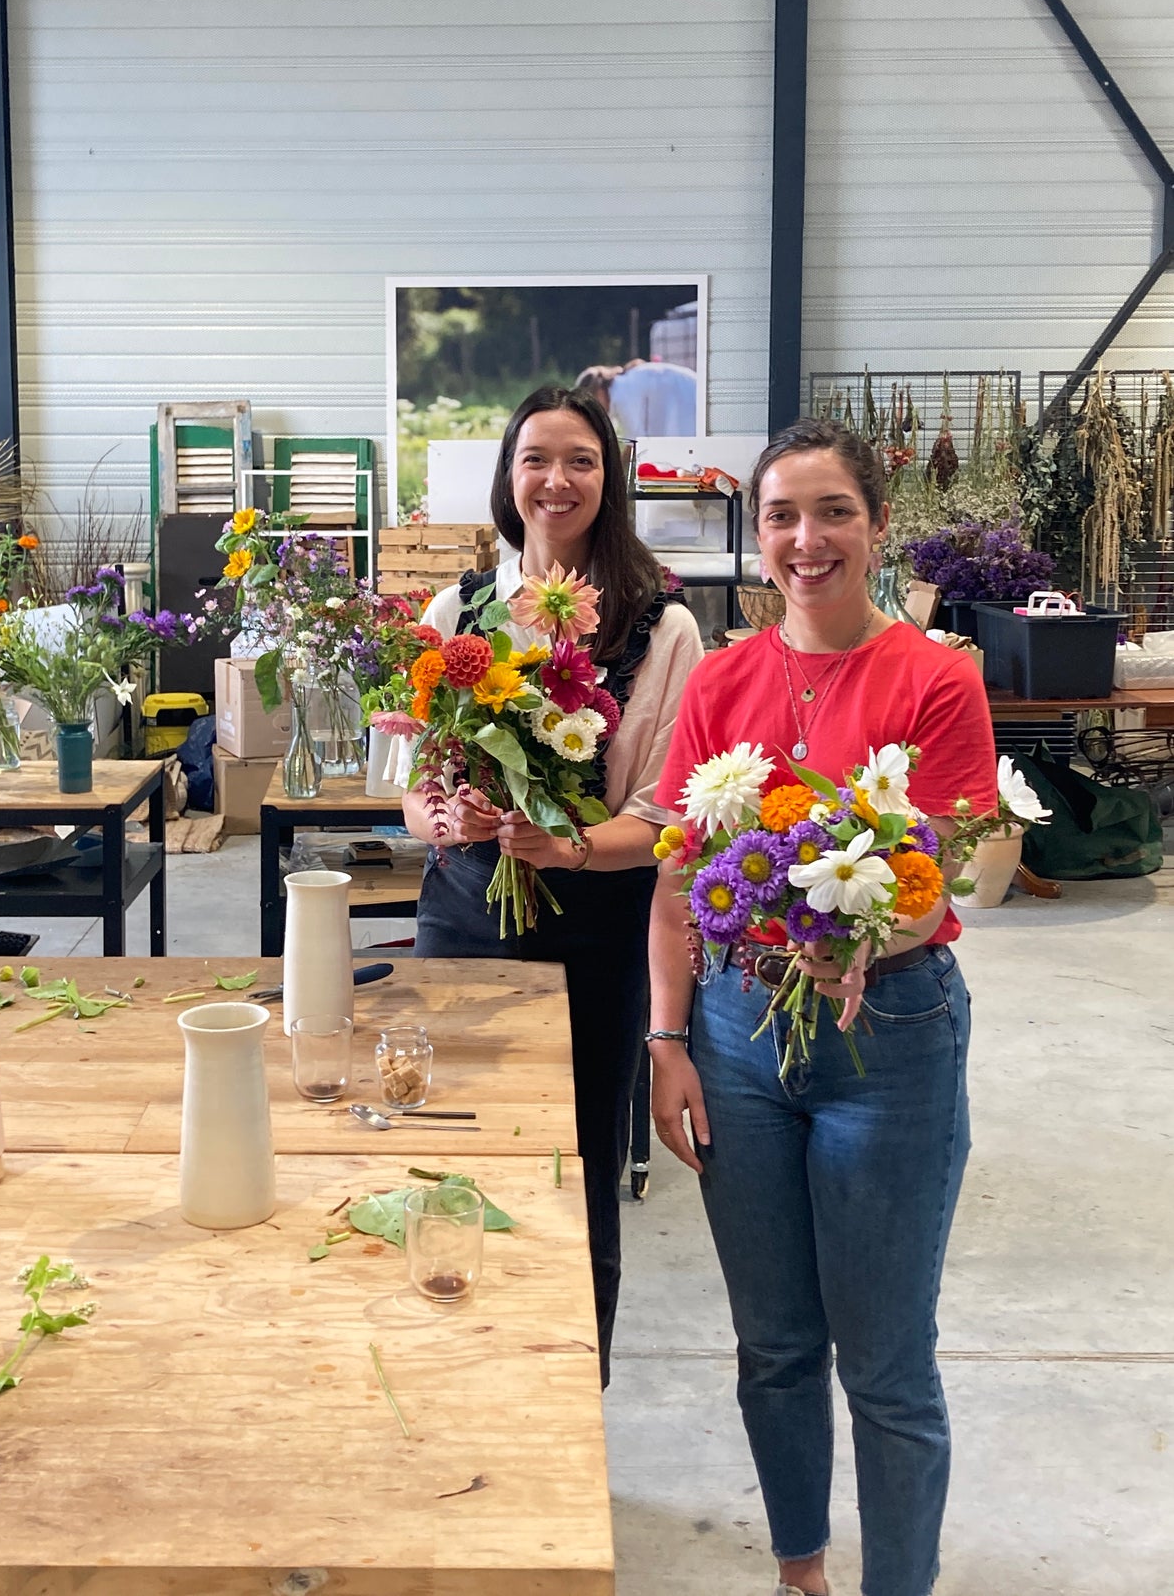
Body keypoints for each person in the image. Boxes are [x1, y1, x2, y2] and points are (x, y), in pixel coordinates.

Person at [647, 417, 997, 1596]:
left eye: (832, 511)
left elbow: (929, 872)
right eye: (782, 514)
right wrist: (664, 1037)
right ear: (757, 536)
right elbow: (675, 875)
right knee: (774, 1348)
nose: (806, 539)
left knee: (887, 1362)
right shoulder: (721, 679)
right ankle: (800, 1573)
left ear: (875, 525)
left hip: (885, 1031)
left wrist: (858, 941)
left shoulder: (935, 679)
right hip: (735, 1037)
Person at [402, 384, 704, 1381]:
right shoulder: (458, 613)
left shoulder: (662, 628)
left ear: (607, 478)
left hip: (595, 927)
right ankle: (465, 1378)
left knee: (571, 1169)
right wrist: (443, 818)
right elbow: (412, 793)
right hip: (462, 912)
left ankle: (571, 1391)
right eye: (535, 458)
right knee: (456, 1161)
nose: (555, 479)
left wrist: (566, 847)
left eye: (579, 459)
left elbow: (664, 816)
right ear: (508, 477)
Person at [577, 358, 700, 437]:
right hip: (692, 396)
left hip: (692, 401)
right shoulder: (624, 383)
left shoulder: (621, 394)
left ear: (599, 391)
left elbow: (636, 444)